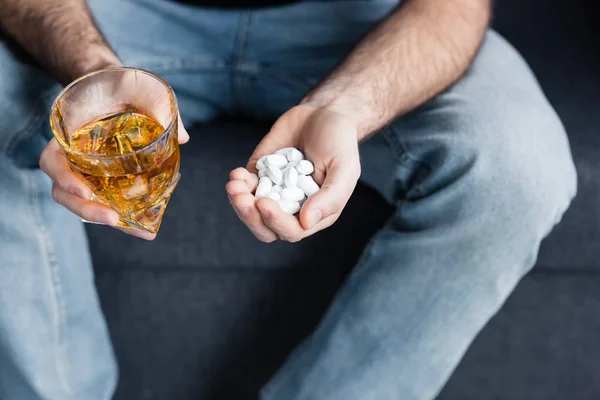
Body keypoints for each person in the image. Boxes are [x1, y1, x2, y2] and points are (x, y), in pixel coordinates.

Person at [0, 0, 577, 399]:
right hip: (113, 16)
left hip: (367, 26)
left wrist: (343, 110)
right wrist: (99, 79)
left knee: (517, 170)